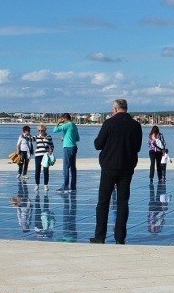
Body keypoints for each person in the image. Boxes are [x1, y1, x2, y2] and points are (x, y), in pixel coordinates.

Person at [91, 98, 142, 244]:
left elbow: (98, 145)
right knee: (122, 202)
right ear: (126, 108)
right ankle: (120, 237)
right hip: (127, 166)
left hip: (109, 166)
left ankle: (100, 236)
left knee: (103, 202)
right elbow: (137, 148)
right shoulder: (136, 125)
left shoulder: (109, 123)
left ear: (115, 109)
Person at [52, 113, 80, 192]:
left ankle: (65, 186)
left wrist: (58, 122)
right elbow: (77, 138)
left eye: (62, 119)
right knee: (73, 167)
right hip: (74, 147)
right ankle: (73, 186)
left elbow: (55, 130)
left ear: (64, 118)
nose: (62, 121)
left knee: (66, 167)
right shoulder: (74, 125)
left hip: (67, 147)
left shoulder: (67, 124)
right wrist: (65, 138)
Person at [32, 124, 54, 190]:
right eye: (39, 130)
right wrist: (24, 135)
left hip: (45, 155)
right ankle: (37, 184)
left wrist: (50, 152)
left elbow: (52, 146)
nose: (40, 132)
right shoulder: (36, 136)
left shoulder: (49, 137)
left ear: (45, 130)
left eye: (42, 130)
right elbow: (29, 139)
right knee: (37, 170)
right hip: (38, 155)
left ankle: (45, 185)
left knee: (46, 170)